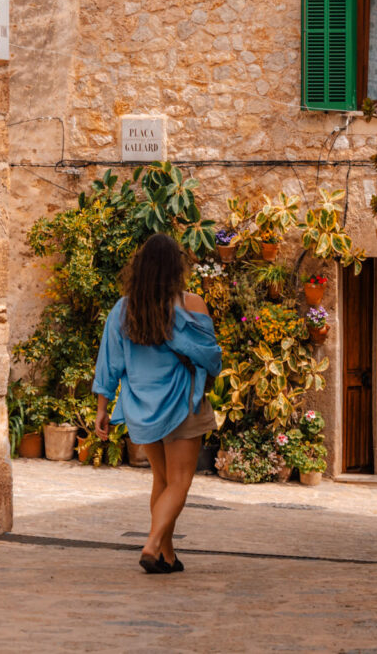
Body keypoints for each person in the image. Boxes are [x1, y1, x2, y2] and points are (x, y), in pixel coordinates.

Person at [92, 233, 222, 574]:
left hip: (141, 407)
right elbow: (211, 357)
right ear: (176, 268)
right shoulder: (191, 305)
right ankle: (150, 544)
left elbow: (109, 362)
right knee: (179, 483)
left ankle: (166, 555)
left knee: (161, 481)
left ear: (141, 267)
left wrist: (102, 409)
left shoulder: (123, 309)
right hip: (183, 405)